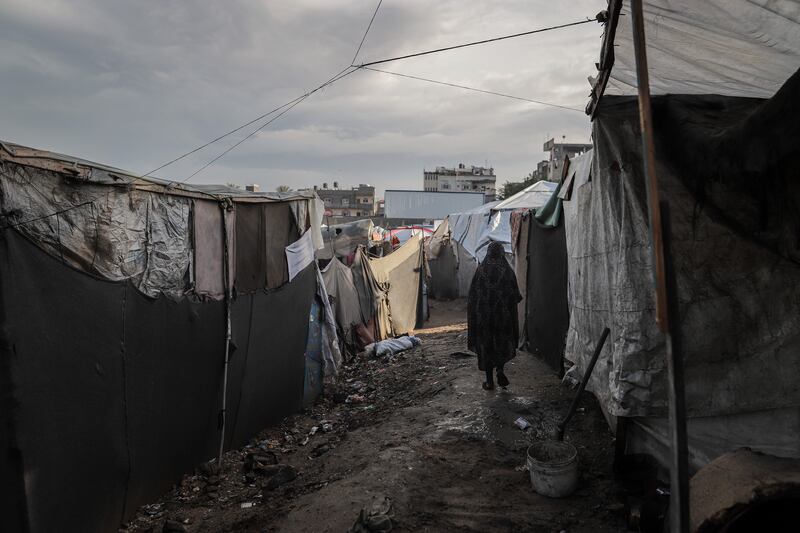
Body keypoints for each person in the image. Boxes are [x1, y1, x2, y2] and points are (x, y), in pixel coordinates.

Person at [467, 241, 522, 390]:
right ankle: (500, 370)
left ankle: (489, 381)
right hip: (502, 319)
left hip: (484, 320)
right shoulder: (507, 271)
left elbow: (472, 297)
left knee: (487, 348)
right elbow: (515, 296)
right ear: (501, 253)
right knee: (501, 345)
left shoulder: (481, 271)